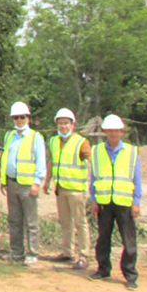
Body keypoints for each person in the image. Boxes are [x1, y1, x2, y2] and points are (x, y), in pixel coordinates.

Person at [90, 114, 143, 290]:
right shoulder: (97, 151)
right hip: (104, 202)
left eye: (116, 130)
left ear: (121, 132)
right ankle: (103, 269)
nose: (113, 133)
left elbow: (137, 179)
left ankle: (130, 275)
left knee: (129, 241)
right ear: (105, 131)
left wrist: (136, 202)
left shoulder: (131, 152)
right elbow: (93, 177)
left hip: (124, 202)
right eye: (109, 130)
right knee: (103, 238)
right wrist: (93, 199)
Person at [44, 108, 92, 269]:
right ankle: (68, 252)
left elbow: (91, 163)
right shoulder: (54, 141)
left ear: (73, 125)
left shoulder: (81, 143)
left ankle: (84, 255)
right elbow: (52, 162)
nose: (63, 126)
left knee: (80, 223)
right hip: (61, 188)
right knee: (66, 222)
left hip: (76, 190)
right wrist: (47, 181)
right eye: (60, 123)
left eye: (66, 123)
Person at [0, 101, 47, 265]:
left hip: (27, 186)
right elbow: (5, 158)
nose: (19, 120)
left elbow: (41, 162)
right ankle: (16, 252)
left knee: (31, 221)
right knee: (14, 220)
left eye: (22, 117)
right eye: (16, 117)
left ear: (27, 118)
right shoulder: (9, 136)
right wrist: (4, 180)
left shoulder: (35, 137)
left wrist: (37, 183)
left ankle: (33, 253)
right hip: (11, 183)